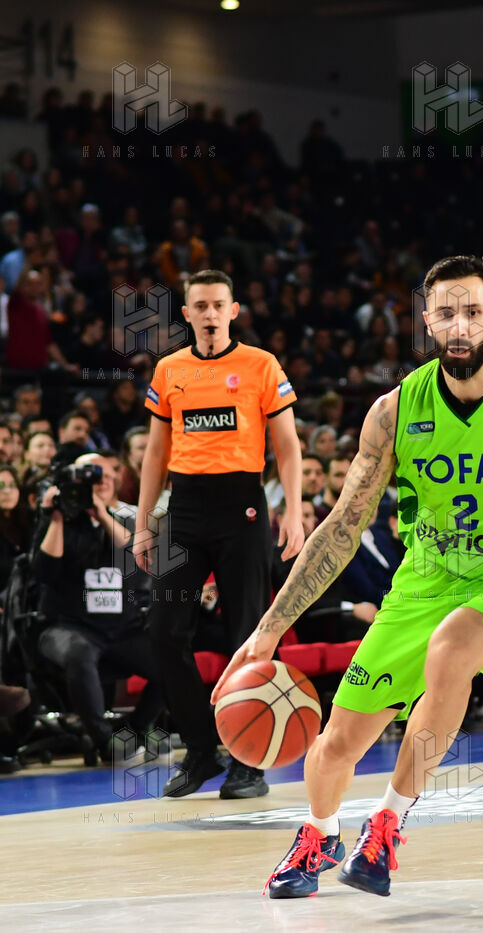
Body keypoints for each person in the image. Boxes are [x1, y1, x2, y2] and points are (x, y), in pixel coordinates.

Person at [212, 255, 483, 899]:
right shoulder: (394, 412)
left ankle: (387, 822)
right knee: (333, 747)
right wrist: (268, 630)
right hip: (422, 586)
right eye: (446, 313)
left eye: (473, 312)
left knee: (452, 646)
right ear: (427, 322)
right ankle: (320, 835)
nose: (460, 326)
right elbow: (341, 528)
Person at [136, 268, 305, 799]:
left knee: (247, 635)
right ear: (186, 314)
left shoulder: (261, 364)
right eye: (200, 306)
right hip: (183, 509)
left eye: (218, 305)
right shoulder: (169, 369)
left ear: (233, 311)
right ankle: (201, 750)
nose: (209, 314)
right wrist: (143, 524)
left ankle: (249, 763)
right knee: (164, 631)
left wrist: (293, 512)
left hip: (243, 509)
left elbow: (288, 445)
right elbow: (155, 453)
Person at [33, 451, 163, 759]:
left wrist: (102, 514)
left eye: (105, 474)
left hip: (122, 630)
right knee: (79, 651)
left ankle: (132, 731)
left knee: (170, 660)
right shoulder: (58, 519)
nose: (100, 481)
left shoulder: (128, 520)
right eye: (90, 476)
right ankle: (105, 743)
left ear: (116, 478)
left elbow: (133, 556)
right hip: (67, 627)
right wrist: (56, 517)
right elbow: (44, 572)